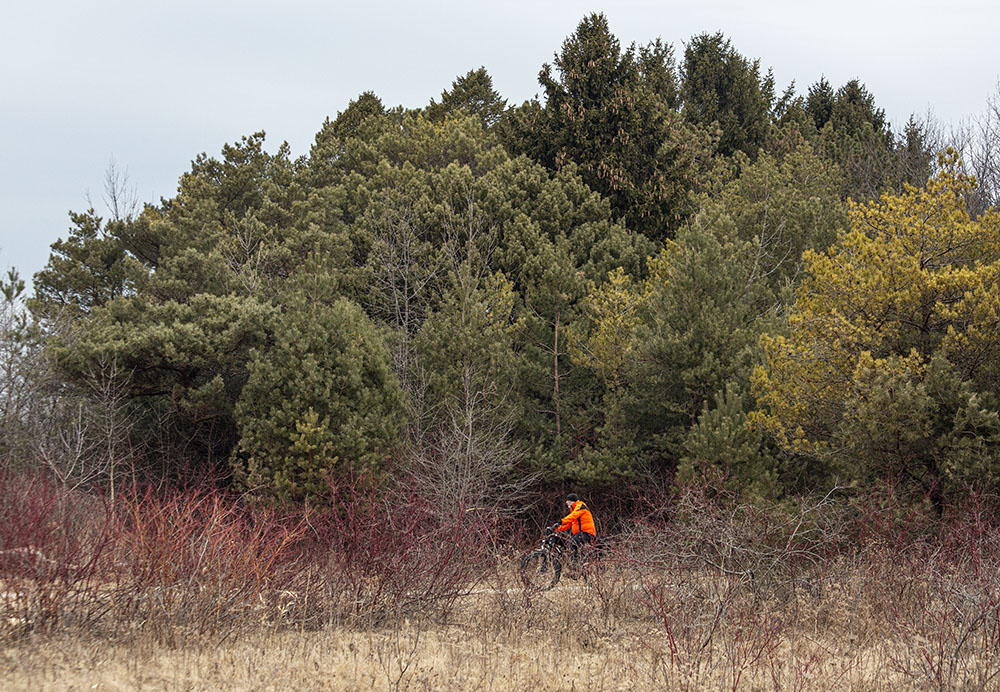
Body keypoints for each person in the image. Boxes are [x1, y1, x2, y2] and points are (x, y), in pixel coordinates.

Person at [552, 493, 596, 559]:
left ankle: (575, 564)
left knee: (573, 543)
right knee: (567, 543)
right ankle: (570, 560)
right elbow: (568, 524)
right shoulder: (574, 509)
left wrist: (561, 521)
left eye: (568, 500)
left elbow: (572, 516)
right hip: (580, 534)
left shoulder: (580, 506)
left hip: (586, 533)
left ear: (572, 501)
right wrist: (557, 528)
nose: (566, 502)